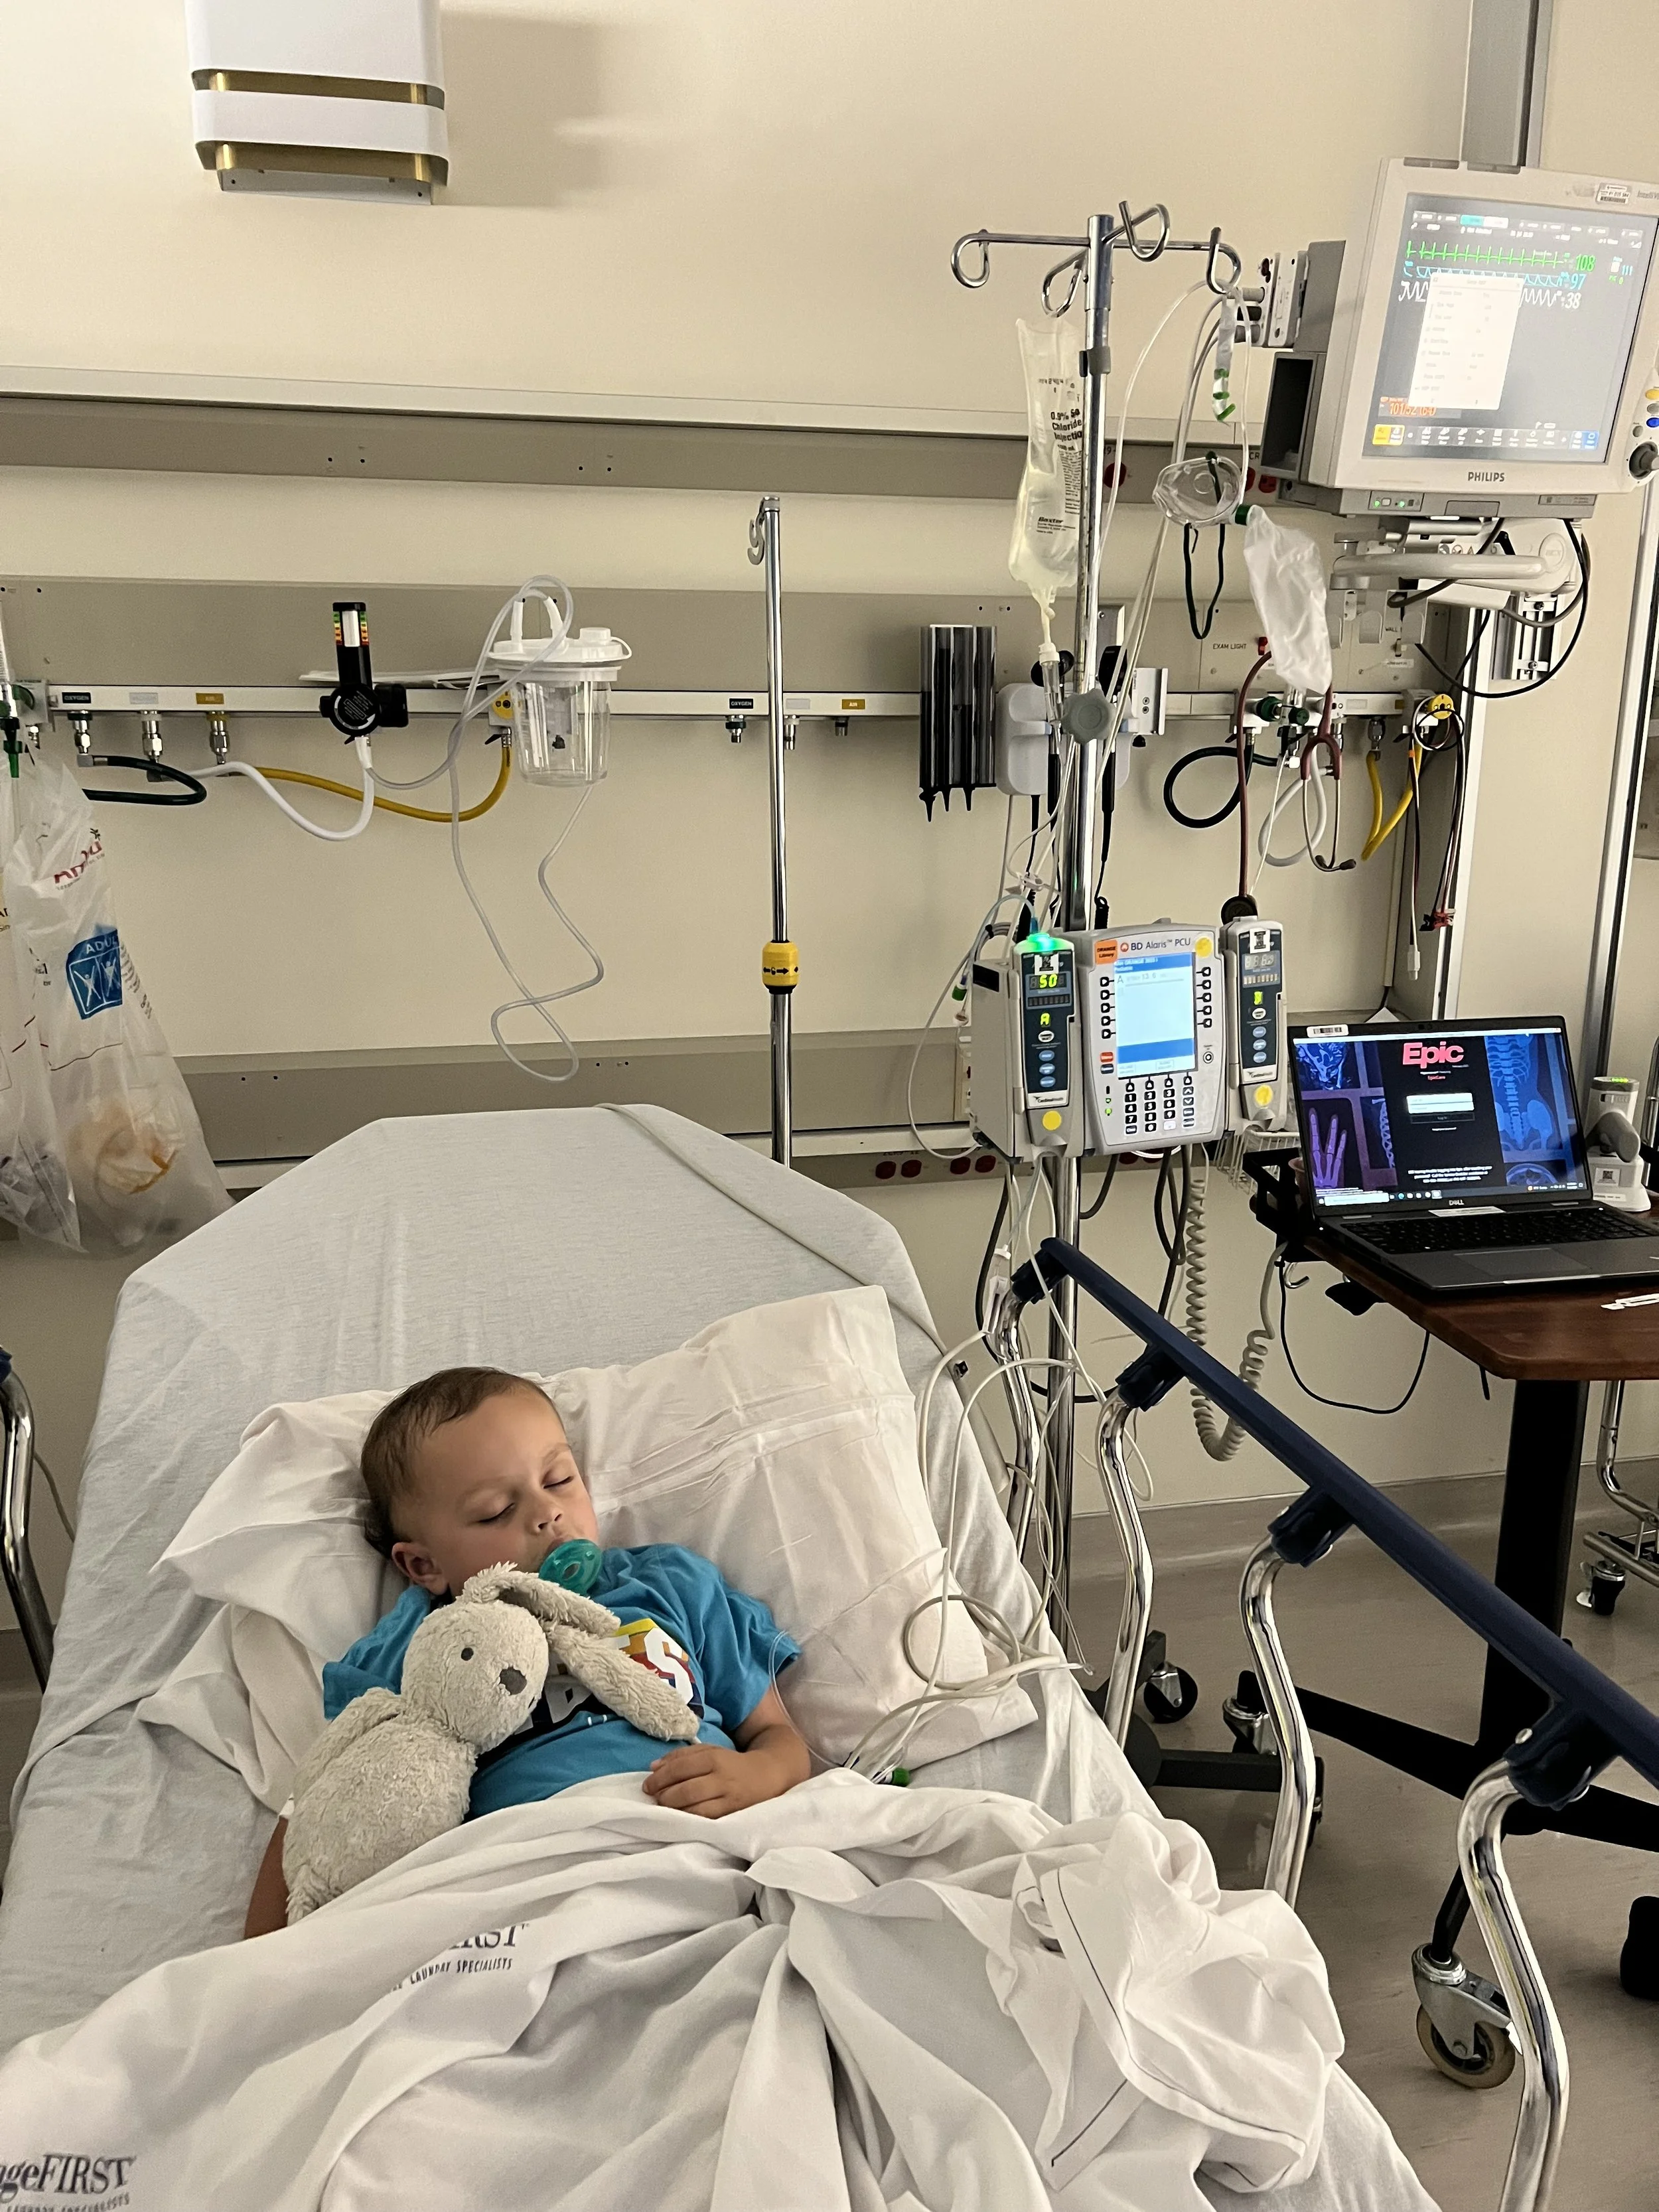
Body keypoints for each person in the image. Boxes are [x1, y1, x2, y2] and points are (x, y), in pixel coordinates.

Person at [244, 1366, 809, 1936]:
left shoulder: (669, 1585)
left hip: (693, 1844)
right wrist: (263, 1961)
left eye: (559, 1478)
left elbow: (780, 1738)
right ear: (425, 1565)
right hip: (521, 1877)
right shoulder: (425, 1643)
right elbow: (320, 1802)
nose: (547, 1513)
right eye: (495, 1511)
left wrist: (754, 1774)